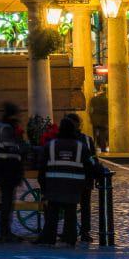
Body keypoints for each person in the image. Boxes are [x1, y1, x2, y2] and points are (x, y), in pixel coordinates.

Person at [37, 116, 94, 247]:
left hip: (54, 185)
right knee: (71, 213)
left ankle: (49, 238)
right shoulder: (81, 146)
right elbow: (90, 165)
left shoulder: (50, 145)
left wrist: (44, 187)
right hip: (73, 186)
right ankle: (70, 238)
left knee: (52, 214)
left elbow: (42, 167)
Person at [0, 102, 24, 243]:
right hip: (7, 170)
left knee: (5, 202)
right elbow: (13, 150)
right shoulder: (7, 128)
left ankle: (5, 231)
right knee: (7, 203)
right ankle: (5, 233)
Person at [66, 112, 98, 243]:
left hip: (69, 179)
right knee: (85, 206)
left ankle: (69, 232)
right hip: (85, 178)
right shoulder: (87, 139)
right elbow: (93, 159)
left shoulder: (63, 139)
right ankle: (84, 232)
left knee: (70, 206)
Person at [89, 88, 109, 152]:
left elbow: (91, 109)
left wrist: (91, 117)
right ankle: (103, 148)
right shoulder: (106, 100)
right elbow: (107, 110)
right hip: (103, 120)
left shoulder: (93, 99)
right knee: (102, 134)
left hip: (94, 119)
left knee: (93, 134)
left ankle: (92, 148)